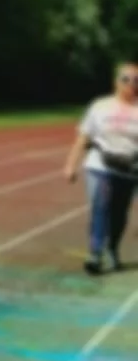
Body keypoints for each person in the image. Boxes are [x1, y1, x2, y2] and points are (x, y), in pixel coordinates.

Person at [65, 61, 138, 274]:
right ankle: (95, 253)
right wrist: (71, 164)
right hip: (100, 165)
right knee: (100, 207)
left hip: (129, 169)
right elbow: (83, 137)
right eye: (126, 79)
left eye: (136, 80)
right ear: (116, 82)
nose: (131, 84)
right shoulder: (100, 106)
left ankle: (112, 248)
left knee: (119, 213)